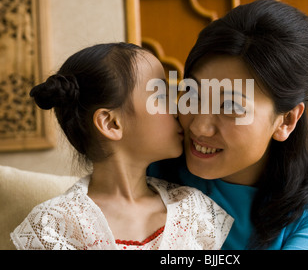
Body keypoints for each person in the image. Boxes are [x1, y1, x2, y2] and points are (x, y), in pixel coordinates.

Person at [148, 0, 308, 249]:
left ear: (286, 121)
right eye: (192, 95)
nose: (198, 127)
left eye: (231, 107)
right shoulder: (144, 172)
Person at [11, 43, 233, 250]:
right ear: (111, 123)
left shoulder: (194, 211)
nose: (177, 110)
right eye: (161, 96)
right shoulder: (52, 226)